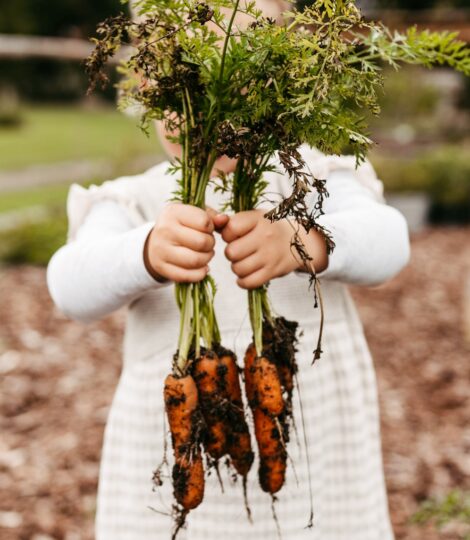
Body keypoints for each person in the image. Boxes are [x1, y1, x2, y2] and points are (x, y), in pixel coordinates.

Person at [47, 2, 410, 539]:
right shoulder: (133, 203)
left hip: (320, 458)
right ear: (149, 88)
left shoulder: (313, 180)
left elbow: (390, 243)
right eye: (191, 85)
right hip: (179, 449)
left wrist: (303, 239)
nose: (216, 110)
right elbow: (68, 286)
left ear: (287, 83)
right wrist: (143, 253)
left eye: (246, 80)